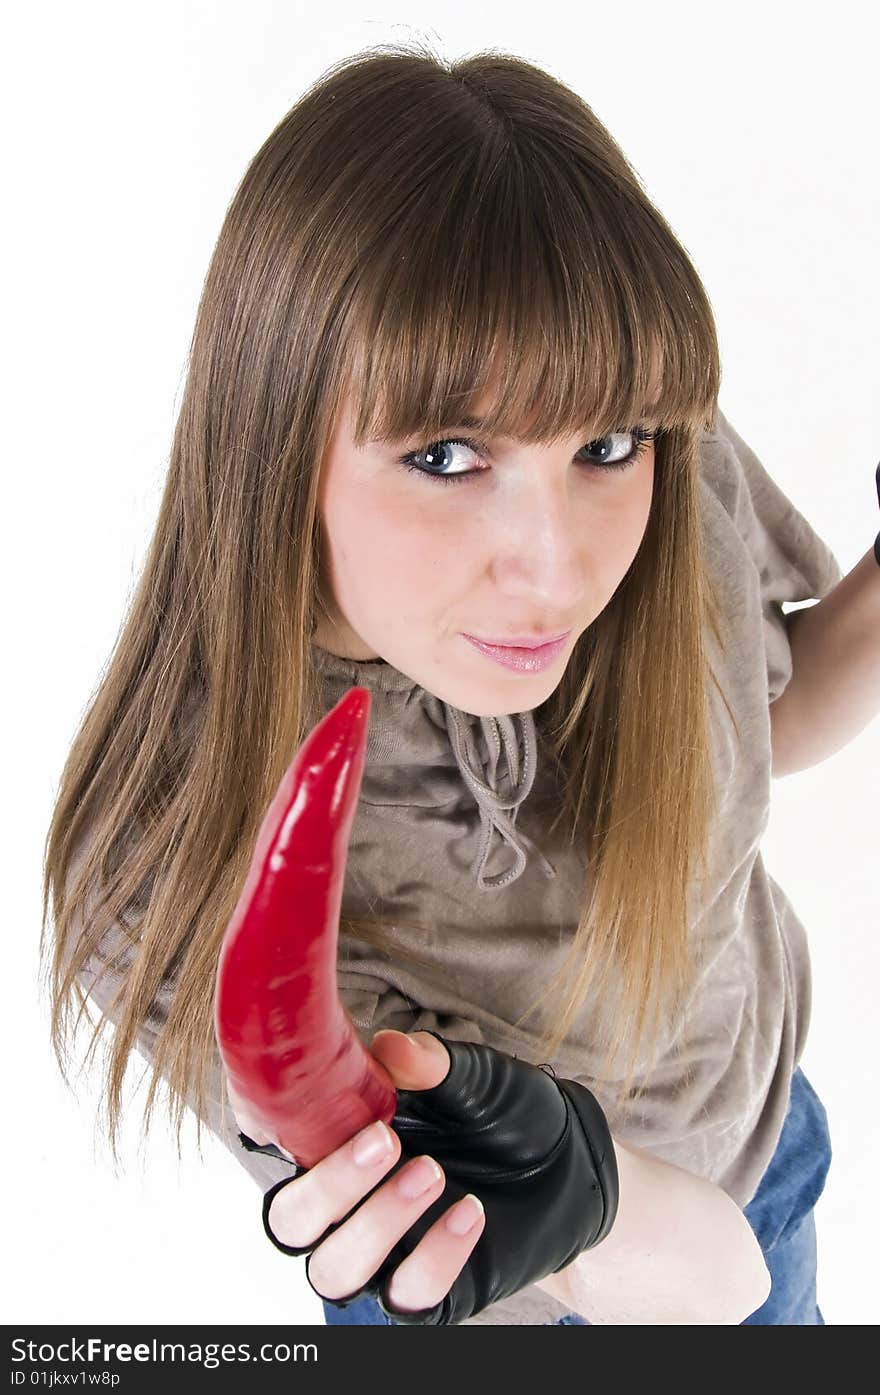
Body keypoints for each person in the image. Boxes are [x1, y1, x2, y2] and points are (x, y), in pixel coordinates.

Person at [40, 44, 880, 1326]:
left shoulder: (666, 479)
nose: (558, 564)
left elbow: (774, 718)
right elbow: (694, 1283)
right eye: (445, 454)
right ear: (275, 446)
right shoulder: (168, 861)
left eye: (601, 443)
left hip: (765, 1154)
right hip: (497, 1297)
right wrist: (583, 1191)